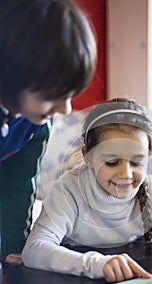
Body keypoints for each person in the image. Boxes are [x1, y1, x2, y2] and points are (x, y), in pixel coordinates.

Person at [22, 98, 152, 282]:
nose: (126, 174)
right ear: (88, 156)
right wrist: (98, 264)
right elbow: (34, 249)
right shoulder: (69, 190)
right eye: (112, 162)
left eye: (137, 162)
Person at [0, 0, 97, 262]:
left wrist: (12, 251)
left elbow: (17, 185)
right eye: (52, 95)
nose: (65, 109)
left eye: (69, 95)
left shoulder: (37, 121)